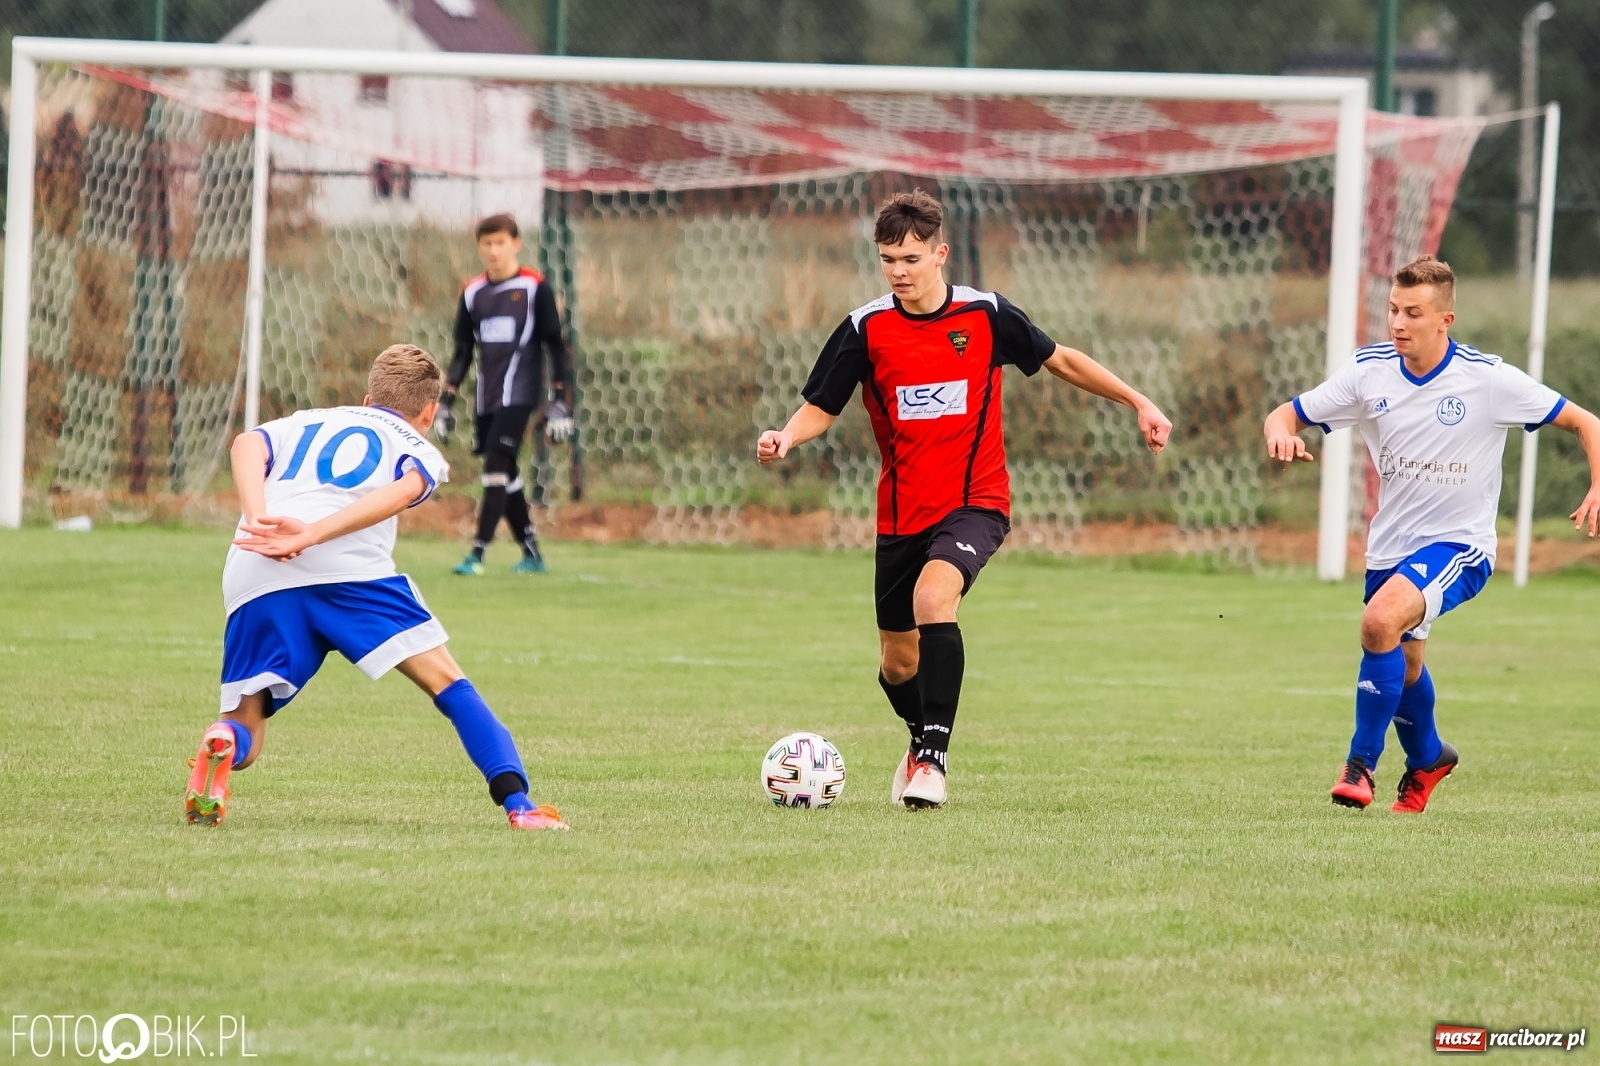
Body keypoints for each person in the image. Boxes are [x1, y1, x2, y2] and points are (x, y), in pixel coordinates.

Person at [756, 189, 1172, 809]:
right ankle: (921, 735)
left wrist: (1138, 401)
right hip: (900, 515)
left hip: (975, 503)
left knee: (934, 595)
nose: (899, 271)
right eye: (888, 259)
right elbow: (821, 407)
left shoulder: (984, 315)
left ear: (940, 253)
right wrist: (786, 435)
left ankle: (932, 762)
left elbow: (1062, 361)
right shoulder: (865, 329)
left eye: (912, 258)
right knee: (898, 665)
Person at [183, 344, 569, 831]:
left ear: (368, 400)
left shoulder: (307, 420)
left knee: (248, 729)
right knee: (447, 683)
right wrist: (313, 534)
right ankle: (521, 807)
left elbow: (245, 445)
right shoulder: (417, 444)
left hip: (255, 566)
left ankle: (224, 739)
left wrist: (259, 517)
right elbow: (406, 490)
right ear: (428, 413)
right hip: (350, 574)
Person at [1264, 254, 1600, 812]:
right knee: (1404, 663)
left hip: (1462, 546)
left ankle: (1360, 766)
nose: (1398, 323)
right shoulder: (1368, 371)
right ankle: (1429, 758)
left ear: (1445, 320)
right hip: (1390, 547)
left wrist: (1597, 486)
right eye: (1393, 310)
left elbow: (1586, 421)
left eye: (1413, 313)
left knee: (1378, 622)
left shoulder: (1487, 379)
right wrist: (1281, 434)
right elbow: (1286, 413)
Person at [436, 214, 575, 576]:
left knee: (496, 461)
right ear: (479, 247)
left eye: (501, 242)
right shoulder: (472, 293)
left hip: (522, 392)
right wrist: (445, 401)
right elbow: (462, 352)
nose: (494, 250)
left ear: (516, 243)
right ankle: (531, 553)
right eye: (487, 243)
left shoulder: (534, 287)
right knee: (506, 472)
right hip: (487, 397)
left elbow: (556, 346)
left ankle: (477, 553)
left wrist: (560, 400)